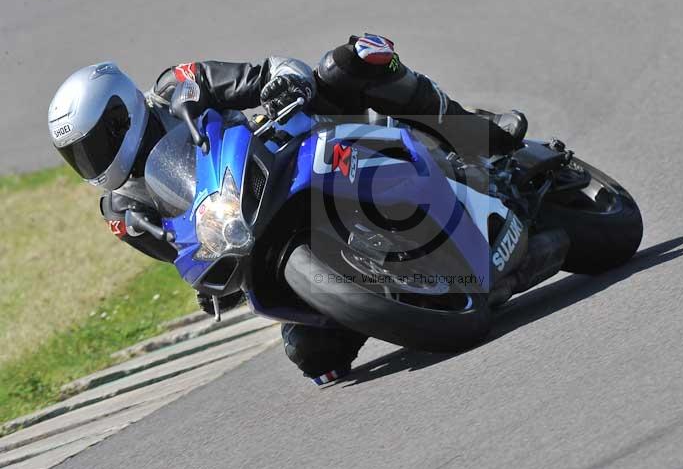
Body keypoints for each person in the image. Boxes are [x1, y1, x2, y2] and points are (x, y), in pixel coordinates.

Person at [46, 34, 528, 384]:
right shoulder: (123, 210)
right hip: (261, 235)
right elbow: (179, 253)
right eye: (77, 157)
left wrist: (283, 83)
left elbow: (266, 72)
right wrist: (210, 284)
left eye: (93, 145)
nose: (89, 162)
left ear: (120, 115)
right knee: (314, 358)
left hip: (298, 147)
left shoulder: (180, 87)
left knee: (349, 61)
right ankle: (414, 290)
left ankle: (481, 136)